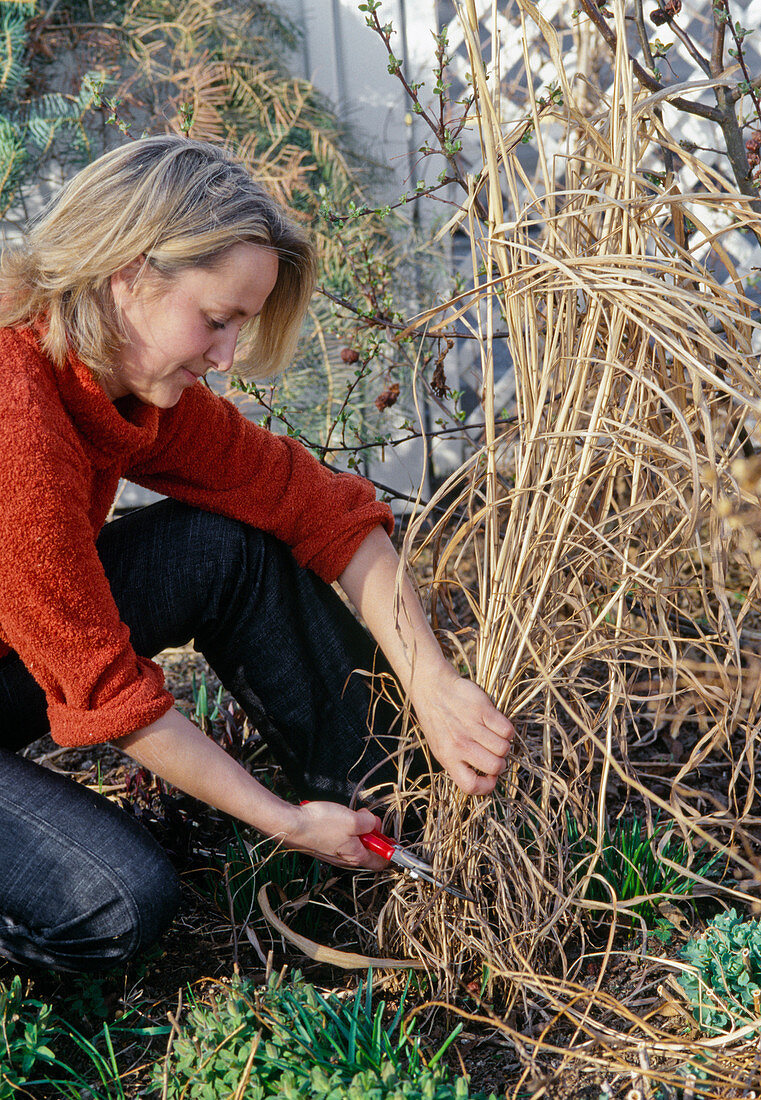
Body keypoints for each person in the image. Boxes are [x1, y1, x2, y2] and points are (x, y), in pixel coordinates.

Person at [0, 135, 515, 973]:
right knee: (115, 902)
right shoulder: (15, 421)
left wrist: (432, 680)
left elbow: (321, 508)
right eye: (216, 319)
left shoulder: (118, 379)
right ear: (128, 273)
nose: (227, 356)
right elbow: (108, 693)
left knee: (228, 541)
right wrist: (281, 820)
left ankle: (393, 822)